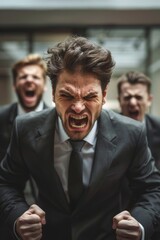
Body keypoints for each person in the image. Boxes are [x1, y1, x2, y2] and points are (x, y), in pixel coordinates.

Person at [0, 36, 160, 240]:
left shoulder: (132, 133)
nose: (77, 107)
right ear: (53, 95)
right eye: (67, 95)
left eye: (89, 97)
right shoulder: (25, 128)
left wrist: (140, 223)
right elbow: (6, 182)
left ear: (103, 96)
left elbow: (152, 188)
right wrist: (18, 216)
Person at [0, 53, 49, 239]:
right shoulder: (1, 118)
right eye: (23, 76)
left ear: (44, 85)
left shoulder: (58, 120)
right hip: (7, 216)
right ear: (15, 85)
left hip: (49, 220)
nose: (29, 80)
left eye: (35, 76)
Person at [117, 71, 160, 239]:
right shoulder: (105, 130)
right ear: (120, 100)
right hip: (114, 219)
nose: (133, 102)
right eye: (127, 97)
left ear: (149, 99)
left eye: (138, 97)